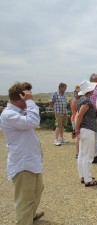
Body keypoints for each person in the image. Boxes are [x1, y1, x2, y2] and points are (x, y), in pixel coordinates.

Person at [0, 82, 45, 224]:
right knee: (25, 200)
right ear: (21, 98)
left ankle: (30, 215)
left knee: (37, 190)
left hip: (31, 161)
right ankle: (24, 220)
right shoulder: (8, 115)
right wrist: (30, 102)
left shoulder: (19, 112)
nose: (29, 99)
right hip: (23, 163)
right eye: (27, 96)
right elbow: (33, 122)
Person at [73, 80, 97, 187]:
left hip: (84, 129)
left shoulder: (81, 99)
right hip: (88, 129)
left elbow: (78, 116)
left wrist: (77, 129)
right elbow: (80, 116)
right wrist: (76, 129)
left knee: (82, 154)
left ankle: (83, 176)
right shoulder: (86, 101)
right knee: (88, 155)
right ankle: (88, 180)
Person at [70, 85, 80, 158]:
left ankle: (78, 152)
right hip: (76, 119)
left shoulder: (74, 100)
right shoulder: (75, 101)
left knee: (78, 137)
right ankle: (78, 153)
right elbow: (74, 112)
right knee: (78, 137)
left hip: (75, 119)